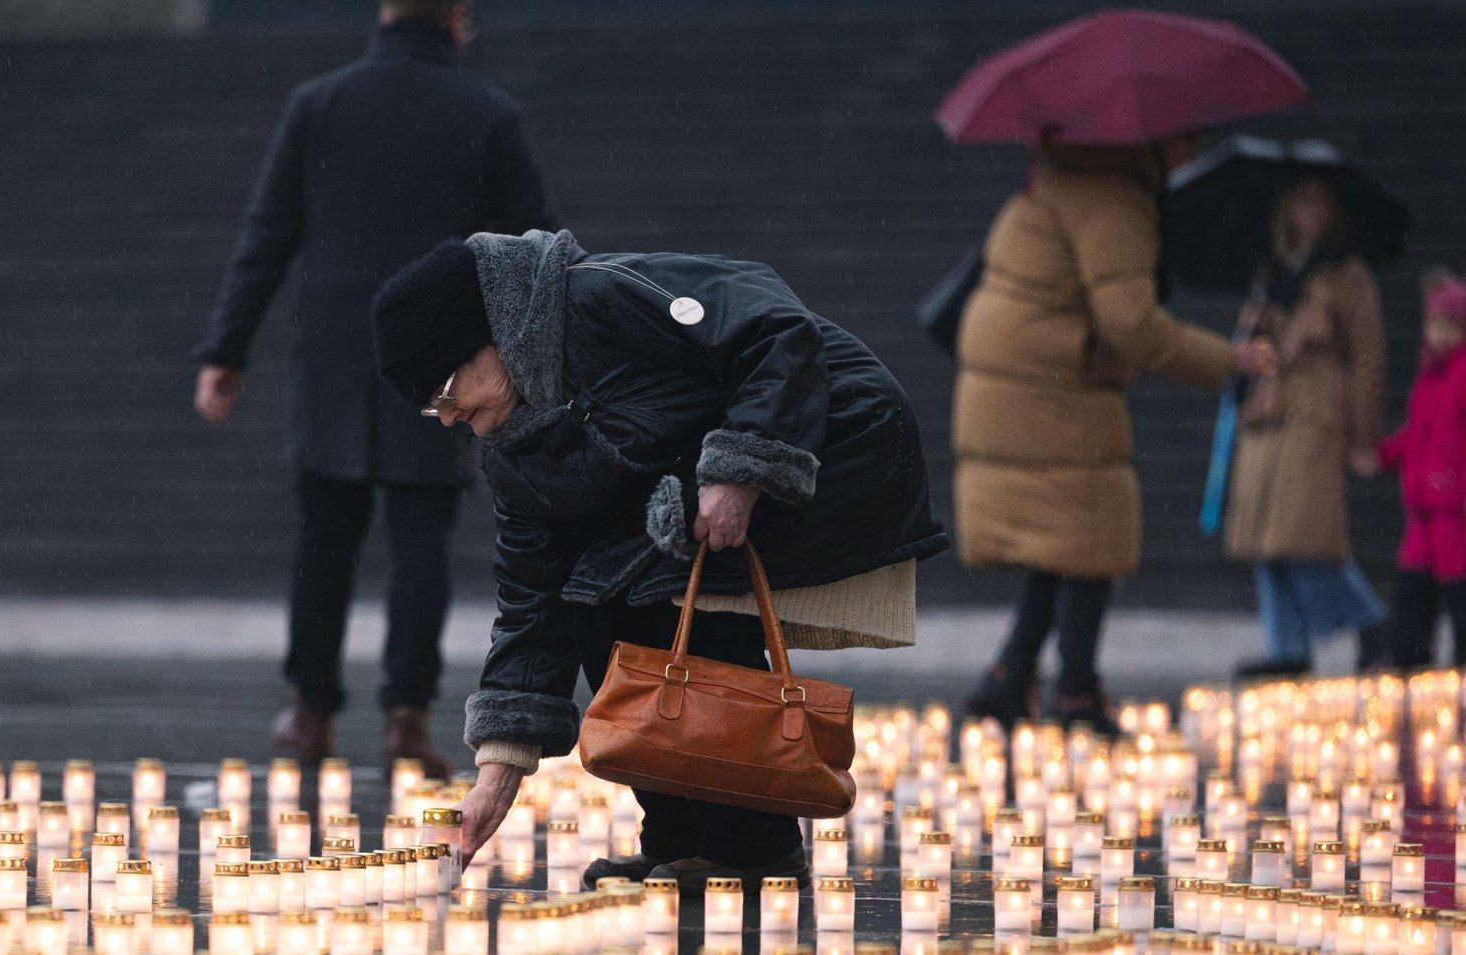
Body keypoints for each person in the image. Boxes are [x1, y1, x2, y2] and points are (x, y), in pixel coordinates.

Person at [370, 229, 948, 888]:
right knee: (595, 601)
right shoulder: (512, 448)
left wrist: (744, 468)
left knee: (664, 590)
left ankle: (750, 843)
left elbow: (775, 328)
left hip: (835, 439)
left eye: (445, 389)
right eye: (430, 407)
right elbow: (533, 601)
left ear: (492, 333)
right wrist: (495, 779)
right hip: (696, 489)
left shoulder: (599, 299)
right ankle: (681, 836)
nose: (446, 417)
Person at [193, 0, 555, 778]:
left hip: (331, 353)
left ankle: (310, 710)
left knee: (322, 540)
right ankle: (406, 718)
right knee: (420, 542)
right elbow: (537, 249)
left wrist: (226, 349)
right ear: (457, 19)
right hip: (439, 358)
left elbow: (267, 235)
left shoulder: (317, 104)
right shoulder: (486, 113)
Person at [952, 137, 1274, 735]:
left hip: (1011, 386)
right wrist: (1229, 359)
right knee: (1095, 535)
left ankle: (1007, 676)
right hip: (1055, 388)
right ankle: (1075, 691)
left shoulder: (1051, 185)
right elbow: (1133, 325)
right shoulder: (1112, 199)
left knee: (1063, 542)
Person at [1221, 174, 1387, 678]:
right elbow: (1249, 350)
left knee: (1304, 537)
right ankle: (1287, 647)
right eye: (1299, 202)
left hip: (1315, 412)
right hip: (1267, 415)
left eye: (1318, 202)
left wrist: (1363, 436)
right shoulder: (1272, 273)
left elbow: (1367, 358)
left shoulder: (1348, 276)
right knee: (1264, 542)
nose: (1308, 213)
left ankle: (1369, 624)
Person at [1369, 272, 1466, 667]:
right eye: (1434, 325)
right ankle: (1407, 666)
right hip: (1423, 510)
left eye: (1449, 326)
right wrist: (1385, 453)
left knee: (1459, 597)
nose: (1439, 334)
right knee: (1411, 593)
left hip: (1455, 511)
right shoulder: (1430, 374)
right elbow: (1419, 433)